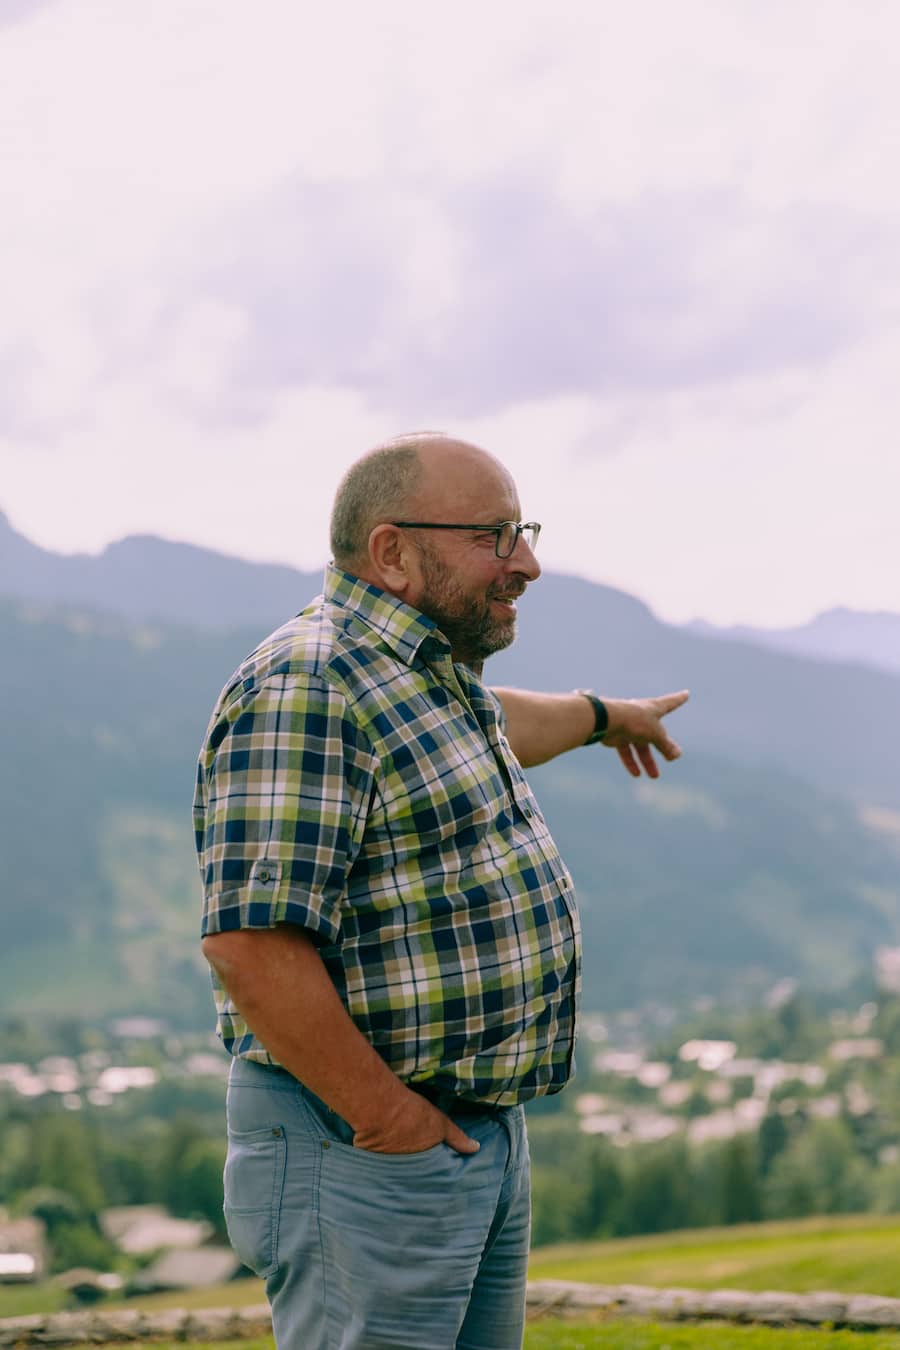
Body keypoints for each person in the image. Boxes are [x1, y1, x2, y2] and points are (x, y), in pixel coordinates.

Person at [193, 432, 688, 1350]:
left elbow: (493, 729)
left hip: (461, 1137)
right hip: (367, 1145)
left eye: (523, 531)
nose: (527, 563)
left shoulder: (422, 676)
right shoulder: (310, 684)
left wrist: (603, 717)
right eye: (495, 537)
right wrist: (391, 1122)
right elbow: (252, 945)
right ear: (393, 551)